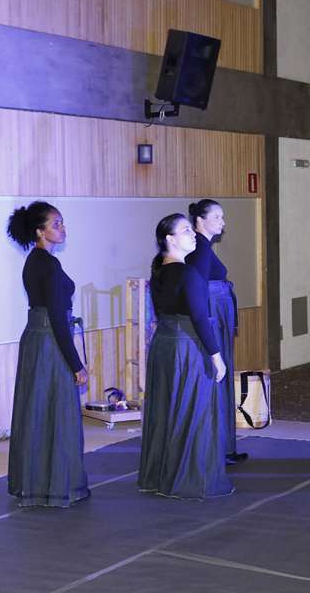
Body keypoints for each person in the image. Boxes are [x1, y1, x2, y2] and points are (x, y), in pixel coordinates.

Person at [138, 213, 233, 499]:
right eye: (185, 231)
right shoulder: (187, 273)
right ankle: (188, 479)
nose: (193, 234)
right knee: (193, 411)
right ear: (169, 239)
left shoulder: (159, 271)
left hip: (164, 346)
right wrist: (216, 356)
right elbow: (200, 318)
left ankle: (160, 477)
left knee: (167, 411)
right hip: (187, 347)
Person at [6, 201, 90, 506]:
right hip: (49, 341)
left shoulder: (35, 260)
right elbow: (57, 316)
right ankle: (54, 484)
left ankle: (35, 482)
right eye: (56, 224)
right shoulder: (48, 264)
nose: (62, 228)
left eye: (62, 222)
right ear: (40, 231)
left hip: (36, 340)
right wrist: (76, 364)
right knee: (55, 412)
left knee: (38, 412)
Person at [186, 199, 247, 466]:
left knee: (222, 376)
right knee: (216, 375)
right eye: (217, 217)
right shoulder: (199, 247)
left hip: (217, 312)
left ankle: (224, 445)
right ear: (200, 220)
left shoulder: (204, 246)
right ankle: (217, 447)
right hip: (212, 316)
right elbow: (196, 288)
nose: (223, 222)